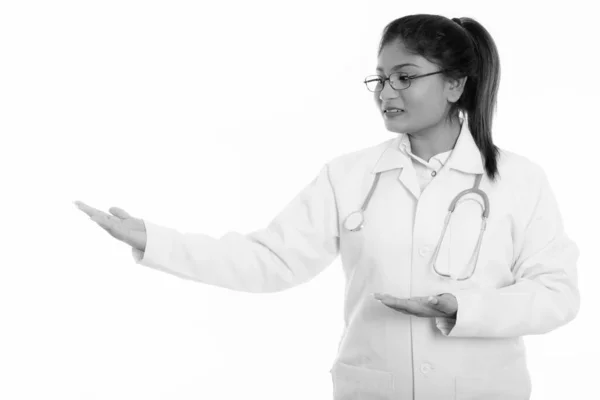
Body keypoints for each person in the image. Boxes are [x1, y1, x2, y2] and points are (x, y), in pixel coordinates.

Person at [74, 13, 579, 400]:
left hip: (482, 388)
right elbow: (271, 261)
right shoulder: (348, 175)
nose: (386, 92)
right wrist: (155, 240)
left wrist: (461, 308)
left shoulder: (517, 179)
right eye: (380, 78)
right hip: (373, 387)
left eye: (405, 76)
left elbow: (557, 293)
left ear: (455, 84)